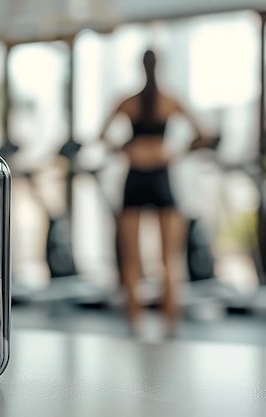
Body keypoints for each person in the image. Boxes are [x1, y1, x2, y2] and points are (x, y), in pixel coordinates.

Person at [99, 50, 207, 336]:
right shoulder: (169, 100)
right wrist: (173, 152)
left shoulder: (128, 101)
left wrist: (127, 149)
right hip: (160, 177)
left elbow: (102, 137)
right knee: (169, 258)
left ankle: (135, 326)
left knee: (133, 260)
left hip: (136, 177)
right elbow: (204, 134)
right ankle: (170, 327)